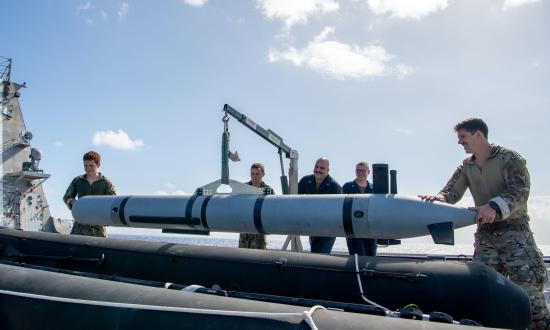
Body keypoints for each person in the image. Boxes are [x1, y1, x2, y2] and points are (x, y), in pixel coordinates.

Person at [419, 118, 549, 330]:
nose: (460, 142)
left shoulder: (509, 158)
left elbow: (520, 190)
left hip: (515, 236)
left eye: (463, 137)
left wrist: (493, 207)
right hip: (486, 238)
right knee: (484, 292)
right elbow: (451, 192)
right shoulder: (466, 166)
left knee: (529, 295)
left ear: (478, 135)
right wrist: (438, 199)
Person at [63, 151, 116, 237]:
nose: (88, 168)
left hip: (98, 230)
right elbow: (67, 197)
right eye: (85, 166)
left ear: (98, 165)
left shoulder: (106, 183)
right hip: (79, 228)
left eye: (91, 166)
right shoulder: (77, 181)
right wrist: (73, 203)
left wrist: (106, 217)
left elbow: (114, 203)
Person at [298, 157, 342, 254]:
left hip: (328, 230)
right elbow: (292, 197)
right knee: (315, 253)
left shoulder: (335, 187)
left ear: (328, 170)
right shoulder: (305, 181)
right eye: (316, 167)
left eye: (322, 168)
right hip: (312, 227)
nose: (318, 170)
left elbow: (337, 211)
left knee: (321, 256)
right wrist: (291, 178)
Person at [343, 162, 377, 256]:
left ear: (368, 172)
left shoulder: (374, 189)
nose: (360, 172)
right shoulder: (347, 187)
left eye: (363, 170)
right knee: (357, 259)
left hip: (370, 229)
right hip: (354, 230)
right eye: (358, 170)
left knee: (371, 257)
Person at [238, 163, 274, 250]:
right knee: (242, 256)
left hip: (259, 228)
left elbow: (273, 208)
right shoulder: (244, 188)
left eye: (257, 174)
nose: (254, 177)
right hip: (245, 227)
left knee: (259, 257)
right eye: (252, 174)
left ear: (263, 175)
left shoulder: (268, 190)